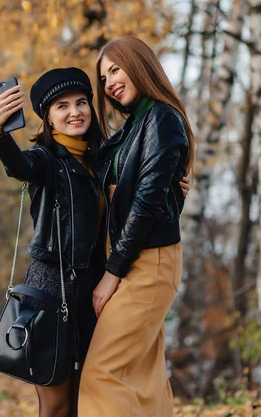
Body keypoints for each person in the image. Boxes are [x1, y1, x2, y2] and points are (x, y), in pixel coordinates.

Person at [78, 36, 195, 417]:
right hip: (135, 257)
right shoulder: (134, 128)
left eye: (115, 69)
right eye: (104, 76)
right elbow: (127, 187)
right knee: (143, 380)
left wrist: (112, 273)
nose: (109, 81)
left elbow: (145, 203)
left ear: (139, 64)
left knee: (102, 375)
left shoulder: (161, 118)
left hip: (146, 261)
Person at [0, 68, 106, 417]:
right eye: (62, 106)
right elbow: (19, 165)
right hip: (51, 289)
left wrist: (174, 190)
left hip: (93, 291)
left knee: (86, 401)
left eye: (81, 103)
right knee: (56, 404)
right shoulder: (45, 160)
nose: (75, 112)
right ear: (49, 118)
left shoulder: (102, 161)